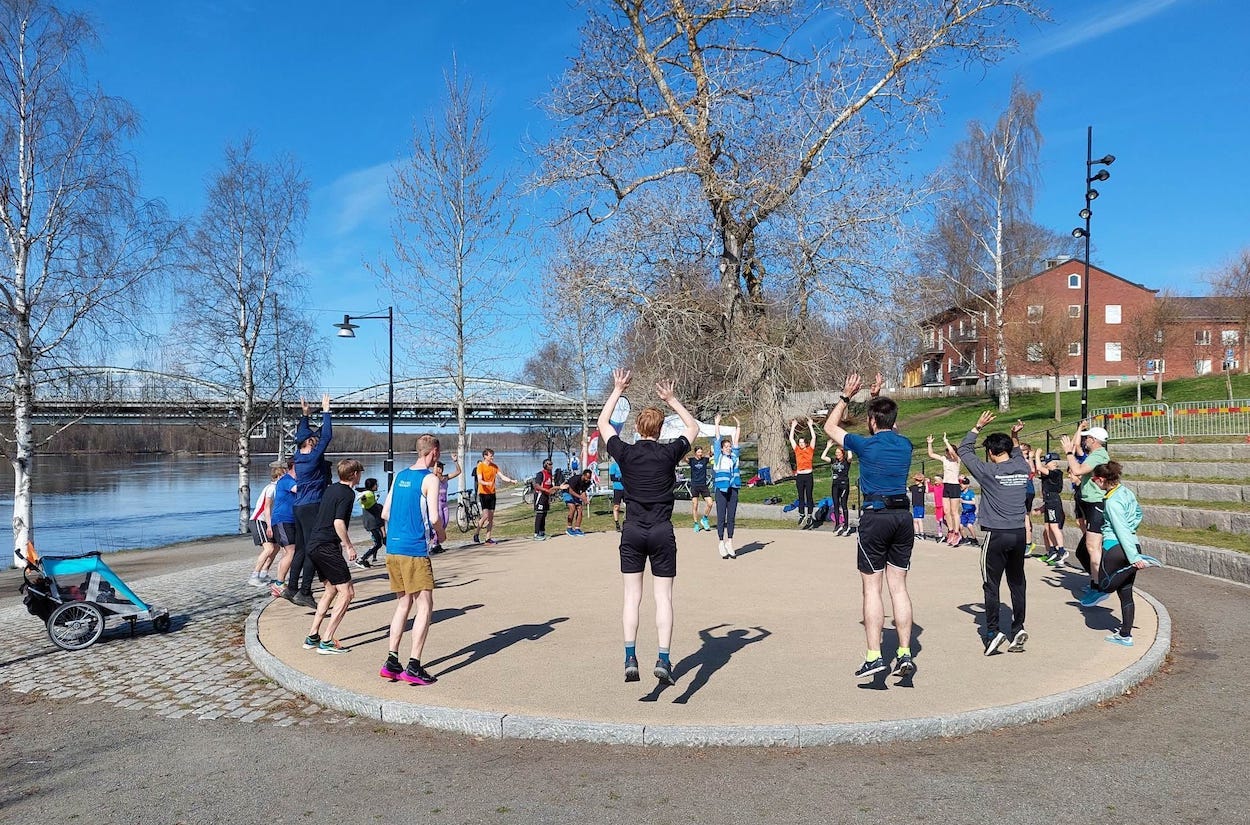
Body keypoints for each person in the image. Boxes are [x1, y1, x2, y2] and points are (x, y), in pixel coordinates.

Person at [598, 368, 698, 686]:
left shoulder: (625, 452)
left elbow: (602, 424)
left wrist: (617, 389)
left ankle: (630, 657)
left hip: (632, 531)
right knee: (664, 598)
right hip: (661, 531)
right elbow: (693, 427)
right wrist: (671, 399)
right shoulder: (670, 453)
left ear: (638, 428)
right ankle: (664, 659)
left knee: (632, 597)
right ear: (659, 429)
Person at [823, 372, 917, 680]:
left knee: (871, 589)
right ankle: (904, 653)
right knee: (899, 588)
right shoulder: (905, 446)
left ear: (872, 423)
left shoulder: (864, 446)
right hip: (903, 518)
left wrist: (846, 396)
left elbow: (829, 427)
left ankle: (875, 655)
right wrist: (878, 398)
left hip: (875, 517)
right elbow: (889, 424)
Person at [957, 414, 1032, 656]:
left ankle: (992, 632)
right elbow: (1018, 452)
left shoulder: (988, 471)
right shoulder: (1022, 466)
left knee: (992, 585)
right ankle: (1018, 627)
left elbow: (964, 450)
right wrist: (1015, 436)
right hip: (1019, 534)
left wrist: (977, 426)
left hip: (996, 535)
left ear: (990, 452)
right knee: (1017, 582)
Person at [378, 434, 445, 685]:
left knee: (403, 604)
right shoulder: (430, 479)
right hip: (414, 549)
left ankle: (391, 660)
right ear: (434, 452)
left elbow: (385, 512)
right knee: (425, 604)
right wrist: (441, 534)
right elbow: (435, 517)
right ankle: (414, 665)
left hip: (393, 548)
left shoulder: (400, 476)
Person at [1077, 461, 1151, 646]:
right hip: (1132, 544)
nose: (1093, 483)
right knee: (1126, 593)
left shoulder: (1111, 502)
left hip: (1117, 548)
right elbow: (1138, 514)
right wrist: (1133, 545)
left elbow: (1121, 529)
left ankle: (1133, 566)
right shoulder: (1126, 492)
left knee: (1104, 585)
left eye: (1094, 480)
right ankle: (1125, 635)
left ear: (1102, 479)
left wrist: (1134, 559)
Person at [300, 458, 363, 655]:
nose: (360, 475)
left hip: (314, 544)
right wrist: (349, 546)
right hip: (327, 546)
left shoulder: (331, 488)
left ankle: (313, 635)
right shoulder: (347, 493)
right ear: (354, 474)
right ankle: (327, 640)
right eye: (359, 472)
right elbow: (338, 522)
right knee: (348, 592)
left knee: (330, 590)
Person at [282, 395, 334, 609]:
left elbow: (304, 435)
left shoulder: (298, 456)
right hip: (313, 506)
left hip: (299, 507)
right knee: (314, 548)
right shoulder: (312, 457)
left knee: (301, 549)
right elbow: (327, 436)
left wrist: (304, 415)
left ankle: (291, 587)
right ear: (309, 443)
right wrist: (326, 412)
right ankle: (304, 591)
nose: (316, 441)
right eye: (313, 439)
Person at [1061, 422, 1111, 589]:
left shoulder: (1098, 456)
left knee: (1092, 545)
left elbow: (1077, 470)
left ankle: (1099, 585)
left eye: (1088, 438)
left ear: (1094, 440)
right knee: (1084, 550)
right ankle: (1096, 582)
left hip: (1097, 502)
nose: (1086, 440)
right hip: (1089, 502)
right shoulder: (1095, 454)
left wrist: (1068, 452)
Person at [711, 414, 743, 560]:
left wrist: (738, 426)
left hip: (733, 488)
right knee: (721, 517)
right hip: (721, 490)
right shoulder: (719, 456)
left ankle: (730, 542)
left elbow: (736, 441)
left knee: (731, 517)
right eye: (727, 447)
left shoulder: (734, 457)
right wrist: (717, 424)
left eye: (730, 447)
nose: (729, 448)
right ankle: (720, 542)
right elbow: (717, 440)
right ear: (722, 449)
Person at [268, 460, 299, 597]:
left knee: (289, 552)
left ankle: (281, 583)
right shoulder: (287, 480)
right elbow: (298, 490)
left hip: (291, 520)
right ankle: (279, 583)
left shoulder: (293, 480)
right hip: (283, 520)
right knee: (291, 551)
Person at [247, 464, 281, 587]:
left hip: (268, 521)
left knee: (276, 547)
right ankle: (254, 575)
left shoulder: (278, 488)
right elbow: (266, 507)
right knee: (269, 548)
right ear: (278, 476)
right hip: (259, 520)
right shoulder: (272, 488)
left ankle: (264, 573)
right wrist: (269, 526)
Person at [473, 448, 517, 545]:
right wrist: (486, 483)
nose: (492, 457)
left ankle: (488, 538)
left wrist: (511, 480)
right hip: (483, 493)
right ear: (485, 456)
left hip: (492, 494)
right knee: (485, 515)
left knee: (491, 517)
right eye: (490, 455)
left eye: (493, 455)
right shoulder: (480, 466)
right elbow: (479, 480)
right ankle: (476, 533)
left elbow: (502, 476)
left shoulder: (494, 466)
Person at [926, 434, 963, 547]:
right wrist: (929, 443)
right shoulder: (944, 459)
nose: (947, 453)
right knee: (946, 511)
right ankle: (951, 531)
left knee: (954, 511)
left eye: (949, 451)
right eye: (946, 451)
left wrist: (946, 441)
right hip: (946, 485)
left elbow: (952, 452)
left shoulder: (957, 460)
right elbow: (931, 454)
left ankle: (957, 533)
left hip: (954, 486)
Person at [1035, 451, 1068, 566]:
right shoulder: (1048, 474)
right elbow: (1038, 470)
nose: (1048, 464)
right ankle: (1053, 550)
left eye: (1049, 462)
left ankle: (1062, 550)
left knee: (1054, 526)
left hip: (1054, 501)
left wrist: (1037, 455)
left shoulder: (1056, 473)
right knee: (1048, 527)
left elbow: (1039, 467)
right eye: (1048, 462)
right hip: (1049, 501)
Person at [789, 418, 817, 528]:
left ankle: (809, 515)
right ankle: (801, 514)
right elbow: (791, 438)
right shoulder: (797, 450)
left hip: (808, 475)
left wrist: (810, 425)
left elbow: (814, 437)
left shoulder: (810, 449)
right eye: (799, 442)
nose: (800, 444)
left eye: (802, 442)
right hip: (800, 475)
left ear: (805, 443)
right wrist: (793, 426)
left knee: (809, 495)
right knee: (801, 496)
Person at [820, 443, 853, 536]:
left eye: (838, 452)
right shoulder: (833, 460)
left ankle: (846, 525)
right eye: (836, 452)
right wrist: (828, 447)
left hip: (844, 485)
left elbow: (850, 456)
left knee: (843, 504)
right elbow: (823, 457)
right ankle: (837, 524)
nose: (837, 454)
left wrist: (848, 447)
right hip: (835, 485)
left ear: (842, 453)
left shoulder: (847, 461)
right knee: (835, 504)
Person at [429, 458, 460, 554]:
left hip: (445, 504)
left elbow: (458, 472)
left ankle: (437, 544)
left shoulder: (445, 478)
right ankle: (434, 544)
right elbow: (433, 472)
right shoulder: (433, 478)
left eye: (441, 467)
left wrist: (455, 461)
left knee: (445, 523)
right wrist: (435, 463)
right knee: (439, 524)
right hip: (437, 504)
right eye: (439, 467)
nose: (440, 469)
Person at [355, 478, 385, 568]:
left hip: (374, 523)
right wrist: (363, 497)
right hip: (371, 523)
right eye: (376, 484)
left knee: (379, 542)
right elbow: (365, 499)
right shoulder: (368, 494)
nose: (378, 486)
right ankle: (361, 559)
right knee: (378, 543)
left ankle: (365, 559)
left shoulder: (370, 493)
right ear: (372, 485)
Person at [686, 446, 713, 533]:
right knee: (695, 505)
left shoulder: (704, 460)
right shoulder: (692, 461)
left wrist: (712, 451)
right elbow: (684, 459)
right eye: (698, 452)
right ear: (695, 453)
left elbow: (710, 455)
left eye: (701, 452)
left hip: (703, 485)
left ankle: (704, 519)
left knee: (710, 503)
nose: (700, 454)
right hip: (694, 486)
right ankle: (696, 524)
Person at [532, 458, 557, 541]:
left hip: (546, 497)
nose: (551, 466)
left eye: (551, 464)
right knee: (539, 515)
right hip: (540, 496)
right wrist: (546, 490)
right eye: (549, 464)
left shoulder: (550, 474)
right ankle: (536, 534)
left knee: (544, 514)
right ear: (545, 465)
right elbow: (537, 486)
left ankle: (542, 532)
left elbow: (550, 486)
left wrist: (554, 491)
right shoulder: (540, 474)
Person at [565, 468, 593, 536]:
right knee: (572, 508)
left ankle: (577, 528)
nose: (588, 479)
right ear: (583, 475)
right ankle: (569, 528)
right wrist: (581, 497)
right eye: (587, 477)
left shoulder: (588, 482)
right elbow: (570, 491)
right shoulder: (575, 479)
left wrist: (585, 499)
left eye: (589, 478)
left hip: (576, 494)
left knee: (580, 509)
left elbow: (583, 491)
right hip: (567, 492)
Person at [958, 477, 977, 545]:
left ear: (967, 485)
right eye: (961, 484)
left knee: (969, 525)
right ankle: (965, 539)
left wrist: (964, 501)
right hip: (964, 513)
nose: (961, 485)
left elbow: (974, 502)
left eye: (963, 484)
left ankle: (975, 539)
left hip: (971, 513)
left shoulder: (970, 493)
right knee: (960, 525)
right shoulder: (960, 493)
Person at [608, 457, 626, 531]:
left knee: (629, 506)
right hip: (617, 488)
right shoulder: (614, 466)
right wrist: (619, 479)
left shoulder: (626, 465)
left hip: (626, 488)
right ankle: (617, 523)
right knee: (616, 506)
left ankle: (626, 522)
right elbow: (612, 478)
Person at [928, 475, 946, 544]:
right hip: (937, 506)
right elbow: (929, 489)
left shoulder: (943, 486)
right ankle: (940, 535)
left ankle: (952, 532)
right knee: (938, 522)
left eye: (937, 480)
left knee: (944, 520)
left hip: (942, 506)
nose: (935, 481)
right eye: (935, 480)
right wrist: (928, 482)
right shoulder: (935, 487)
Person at [908, 474, 927, 539]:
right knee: (915, 520)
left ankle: (921, 533)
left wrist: (926, 483)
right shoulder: (913, 487)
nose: (916, 481)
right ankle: (916, 533)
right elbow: (907, 489)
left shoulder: (923, 488)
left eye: (917, 480)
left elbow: (927, 491)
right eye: (915, 480)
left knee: (919, 519)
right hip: (915, 505)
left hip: (920, 505)